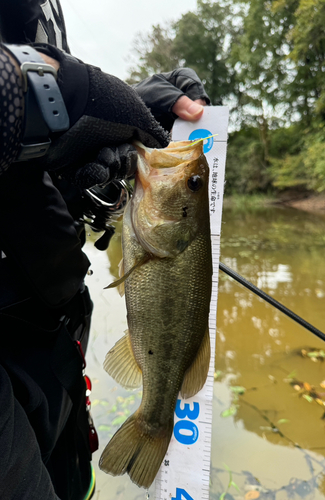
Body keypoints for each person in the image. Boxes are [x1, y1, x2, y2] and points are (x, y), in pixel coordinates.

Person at [0, 1, 209, 499]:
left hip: (52, 336)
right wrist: (53, 89)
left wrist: (101, 126)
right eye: (195, 185)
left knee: (72, 479)